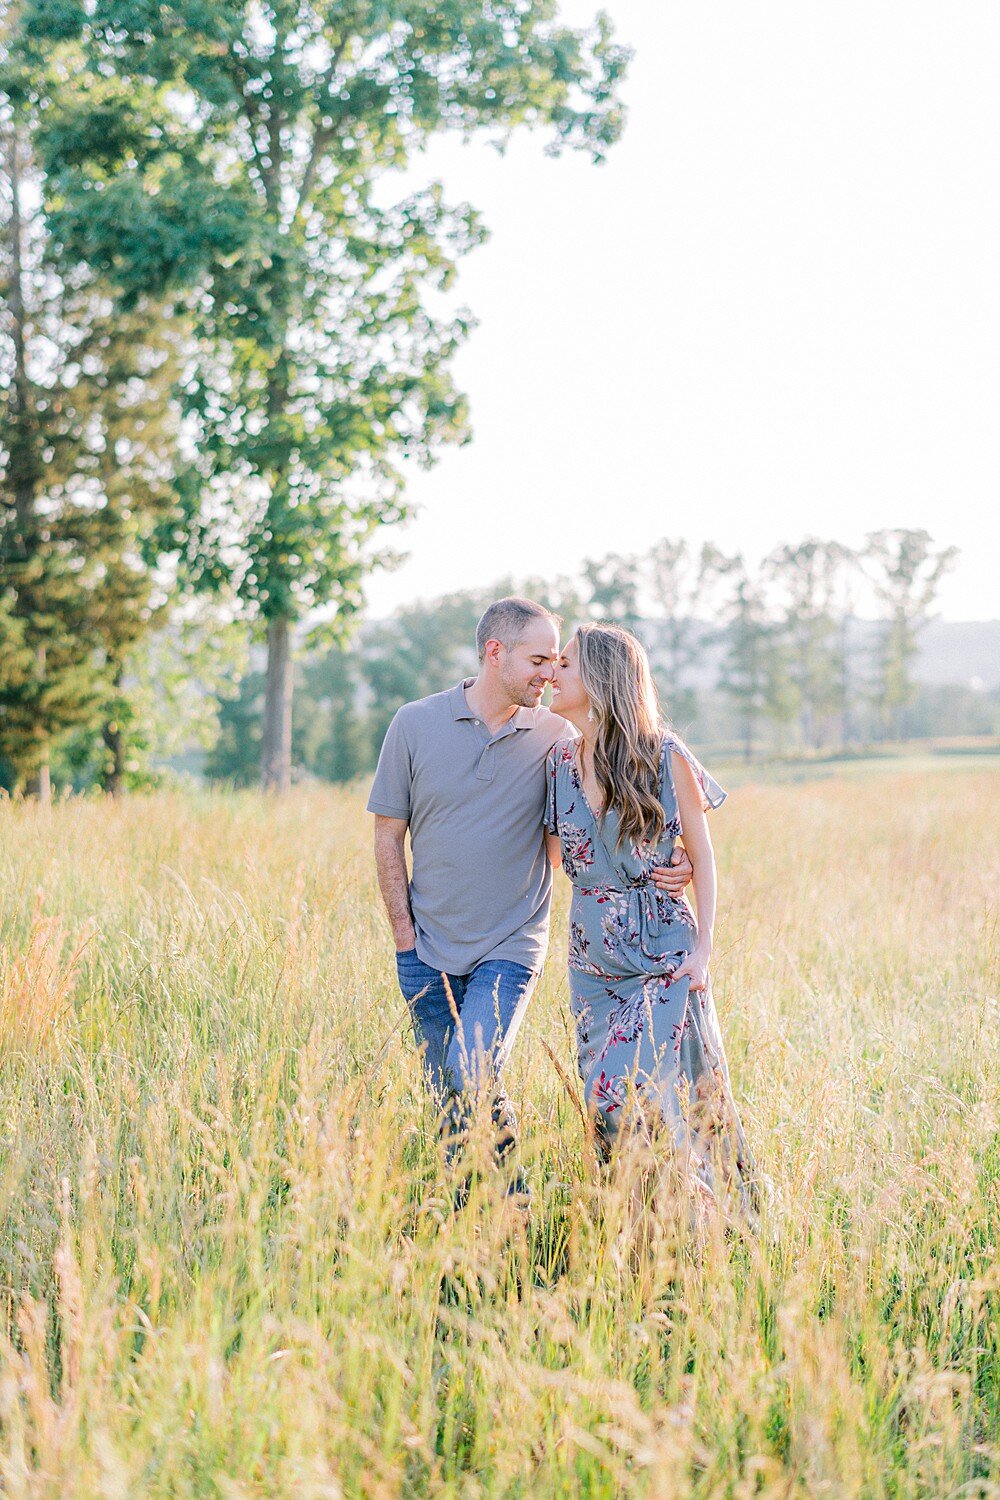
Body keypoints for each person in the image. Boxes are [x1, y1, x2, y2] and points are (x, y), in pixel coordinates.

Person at [367, 597, 692, 1195]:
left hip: (511, 946)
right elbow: (388, 834)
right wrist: (404, 936)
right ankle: (479, 1222)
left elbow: (611, 803)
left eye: (556, 660)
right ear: (496, 653)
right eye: (539, 658)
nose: (550, 671)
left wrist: (677, 856)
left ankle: (511, 1205)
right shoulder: (414, 724)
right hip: (425, 949)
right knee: (451, 1096)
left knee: (474, 1067)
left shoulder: (556, 735)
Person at [546, 622, 756, 1215]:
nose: (553, 673)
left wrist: (703, 951)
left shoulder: (664, 754)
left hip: (664, 951)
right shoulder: (559, 762)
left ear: (601, 678)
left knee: (673, 1099)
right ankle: (641, 1222)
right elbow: (557, 855)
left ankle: (712, 1222)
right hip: (592, 962)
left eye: (566, 663)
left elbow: (706, 854)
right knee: (604, 1104)